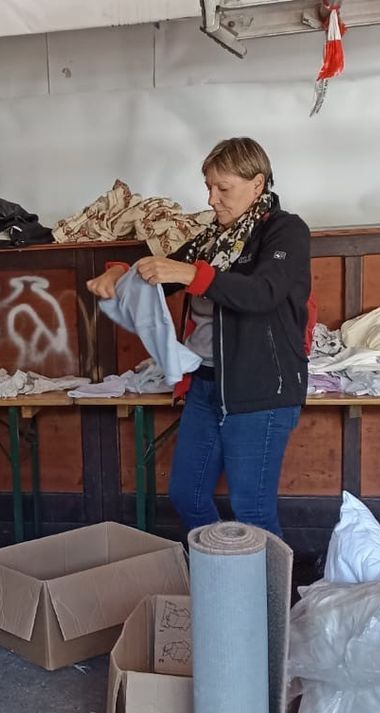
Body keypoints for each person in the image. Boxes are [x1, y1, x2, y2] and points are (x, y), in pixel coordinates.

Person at [86, 137, 312, 538]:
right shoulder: (214, 239)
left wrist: (193, 275)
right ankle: (223, 579)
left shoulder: (285, 231)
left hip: (260, 391)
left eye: (222, 188)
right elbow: (162, 271)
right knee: (186, 495)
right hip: (206, 386)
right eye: (208, 187)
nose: (212, 199)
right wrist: (120, 271)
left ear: (257, 185)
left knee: (252, 511)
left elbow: (264, 293)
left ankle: (268, 599)